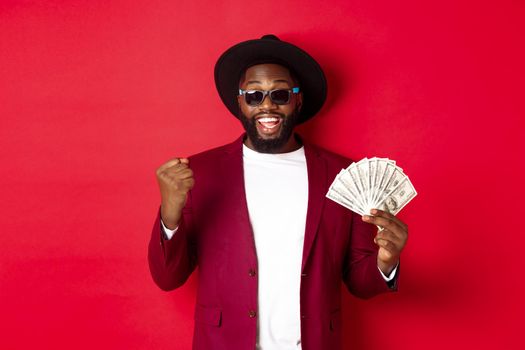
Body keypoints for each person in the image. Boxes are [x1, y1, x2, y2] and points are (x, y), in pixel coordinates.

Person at [148, 34, 408, 350]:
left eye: (280, 94)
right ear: (240, 101)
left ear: (298, 100)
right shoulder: (198, 173)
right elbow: (168, 278)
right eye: (255, 95)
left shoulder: (342, 175)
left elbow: (359, 282)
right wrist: (170, 213)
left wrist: (386, 259)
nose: (267, 105)